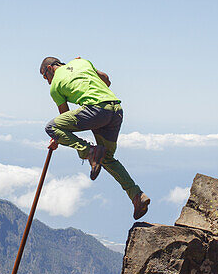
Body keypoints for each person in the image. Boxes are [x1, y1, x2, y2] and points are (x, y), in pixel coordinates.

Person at [40, 55, 150, 219]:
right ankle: (137, 196)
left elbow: (65, 117)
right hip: (116, 110)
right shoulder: (81, 62)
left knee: (51, 126)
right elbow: (107, 80)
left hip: (96, 111)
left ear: (50, 68)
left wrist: (58, 138)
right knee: (106, 158)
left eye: (45, 77)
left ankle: (90, 151)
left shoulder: (55, 87)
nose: (48, 81)